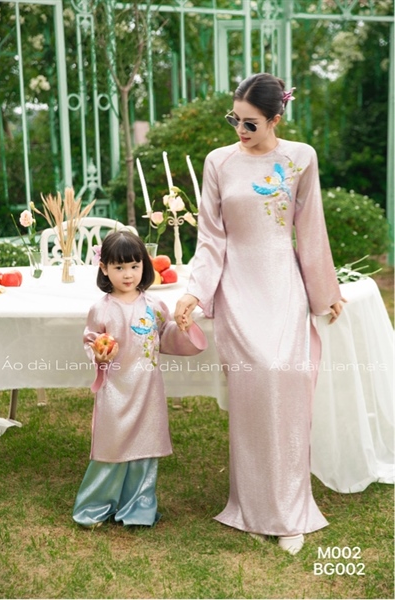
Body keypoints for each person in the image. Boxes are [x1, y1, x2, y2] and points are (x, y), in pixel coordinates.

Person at [174, 73, 345, 555]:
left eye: (250, 123)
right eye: (235, 119)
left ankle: (289, 509)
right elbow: (211, 237)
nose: (240, 130)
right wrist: (195, 292)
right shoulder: (218, 162)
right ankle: (251, 506)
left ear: (275, 118)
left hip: (282, 283)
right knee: (253, 390)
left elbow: (310, 228)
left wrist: (324, 291)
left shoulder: (300, 157)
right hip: (237, 287)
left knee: (285, 378)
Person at [73, 230, 207, 528]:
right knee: (111, 448)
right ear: (104, 268)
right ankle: (94, 506)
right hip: (115, 389)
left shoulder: (154, 306)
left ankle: (138, 509)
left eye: (134, 266)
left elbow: (165, 337)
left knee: (145, 448)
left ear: (144, 266)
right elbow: (91, 341)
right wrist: (99, 354)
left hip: (147, 389)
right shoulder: (101, 309)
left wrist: (183, 327)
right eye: (119, 267)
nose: (128, 274)